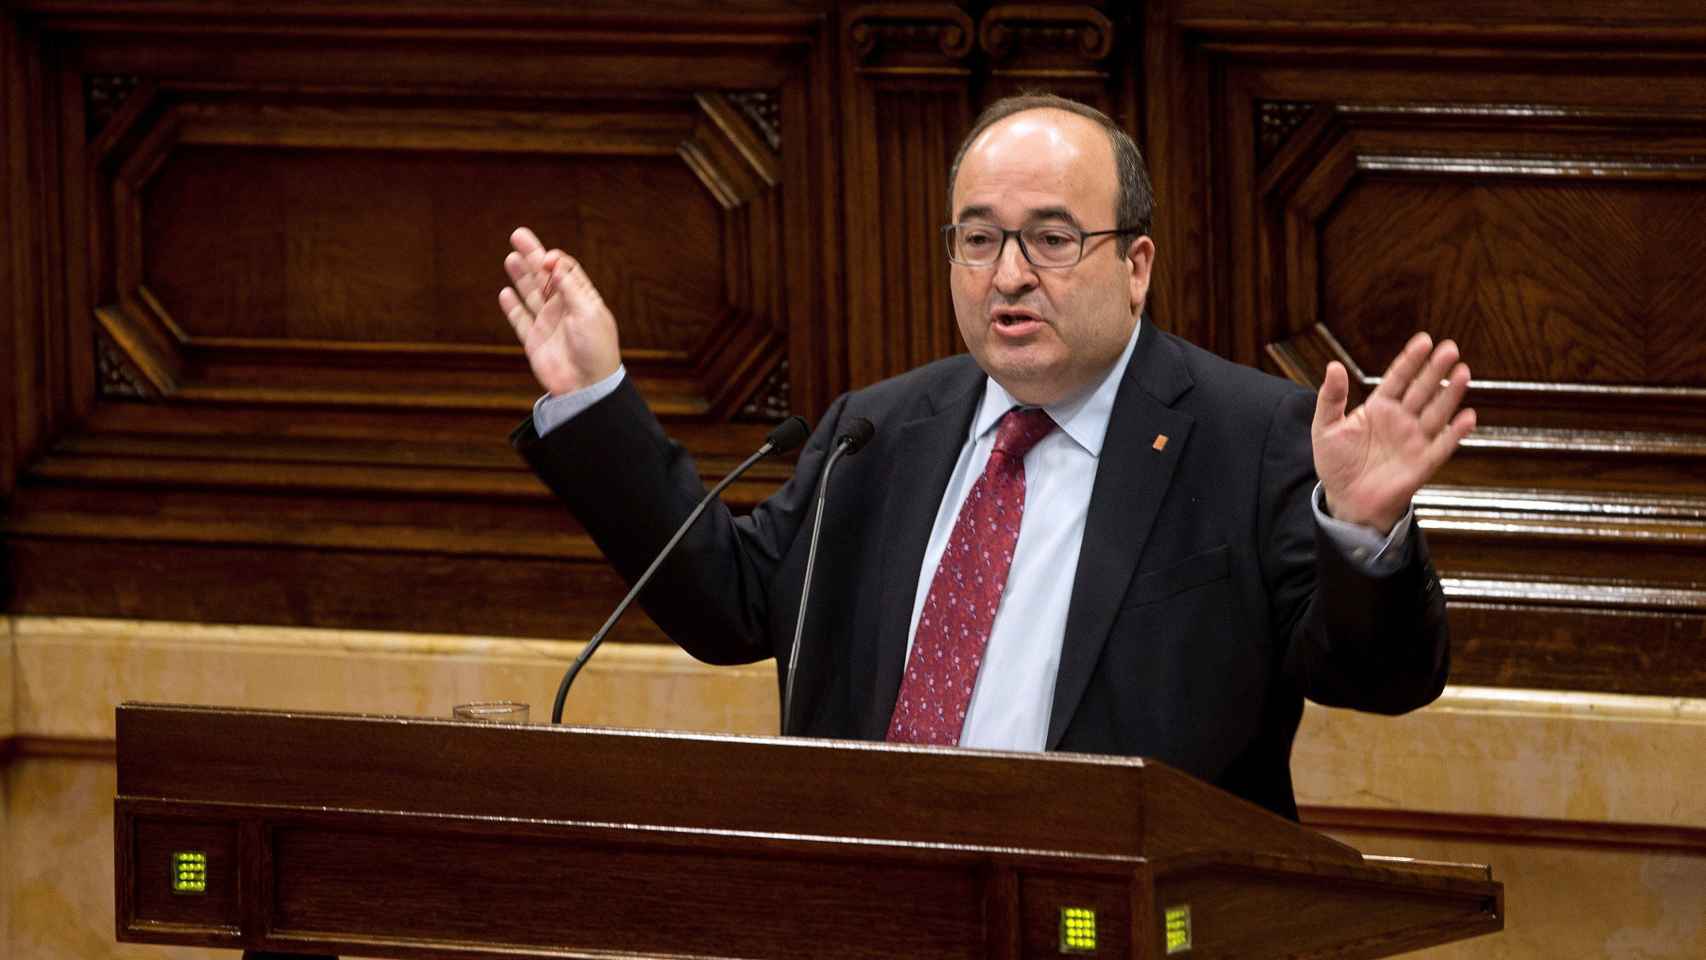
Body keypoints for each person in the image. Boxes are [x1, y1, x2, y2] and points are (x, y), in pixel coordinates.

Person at [500, 94, 1474, 821]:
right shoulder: (875, 433)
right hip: (877, 911)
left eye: (1050, 238)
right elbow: (727, 604)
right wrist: (594, 400)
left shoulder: (1248, 436)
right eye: (977, 239)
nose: (1008, 275)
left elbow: (1380, 680)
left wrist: (1361, 533)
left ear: (1134, 267)